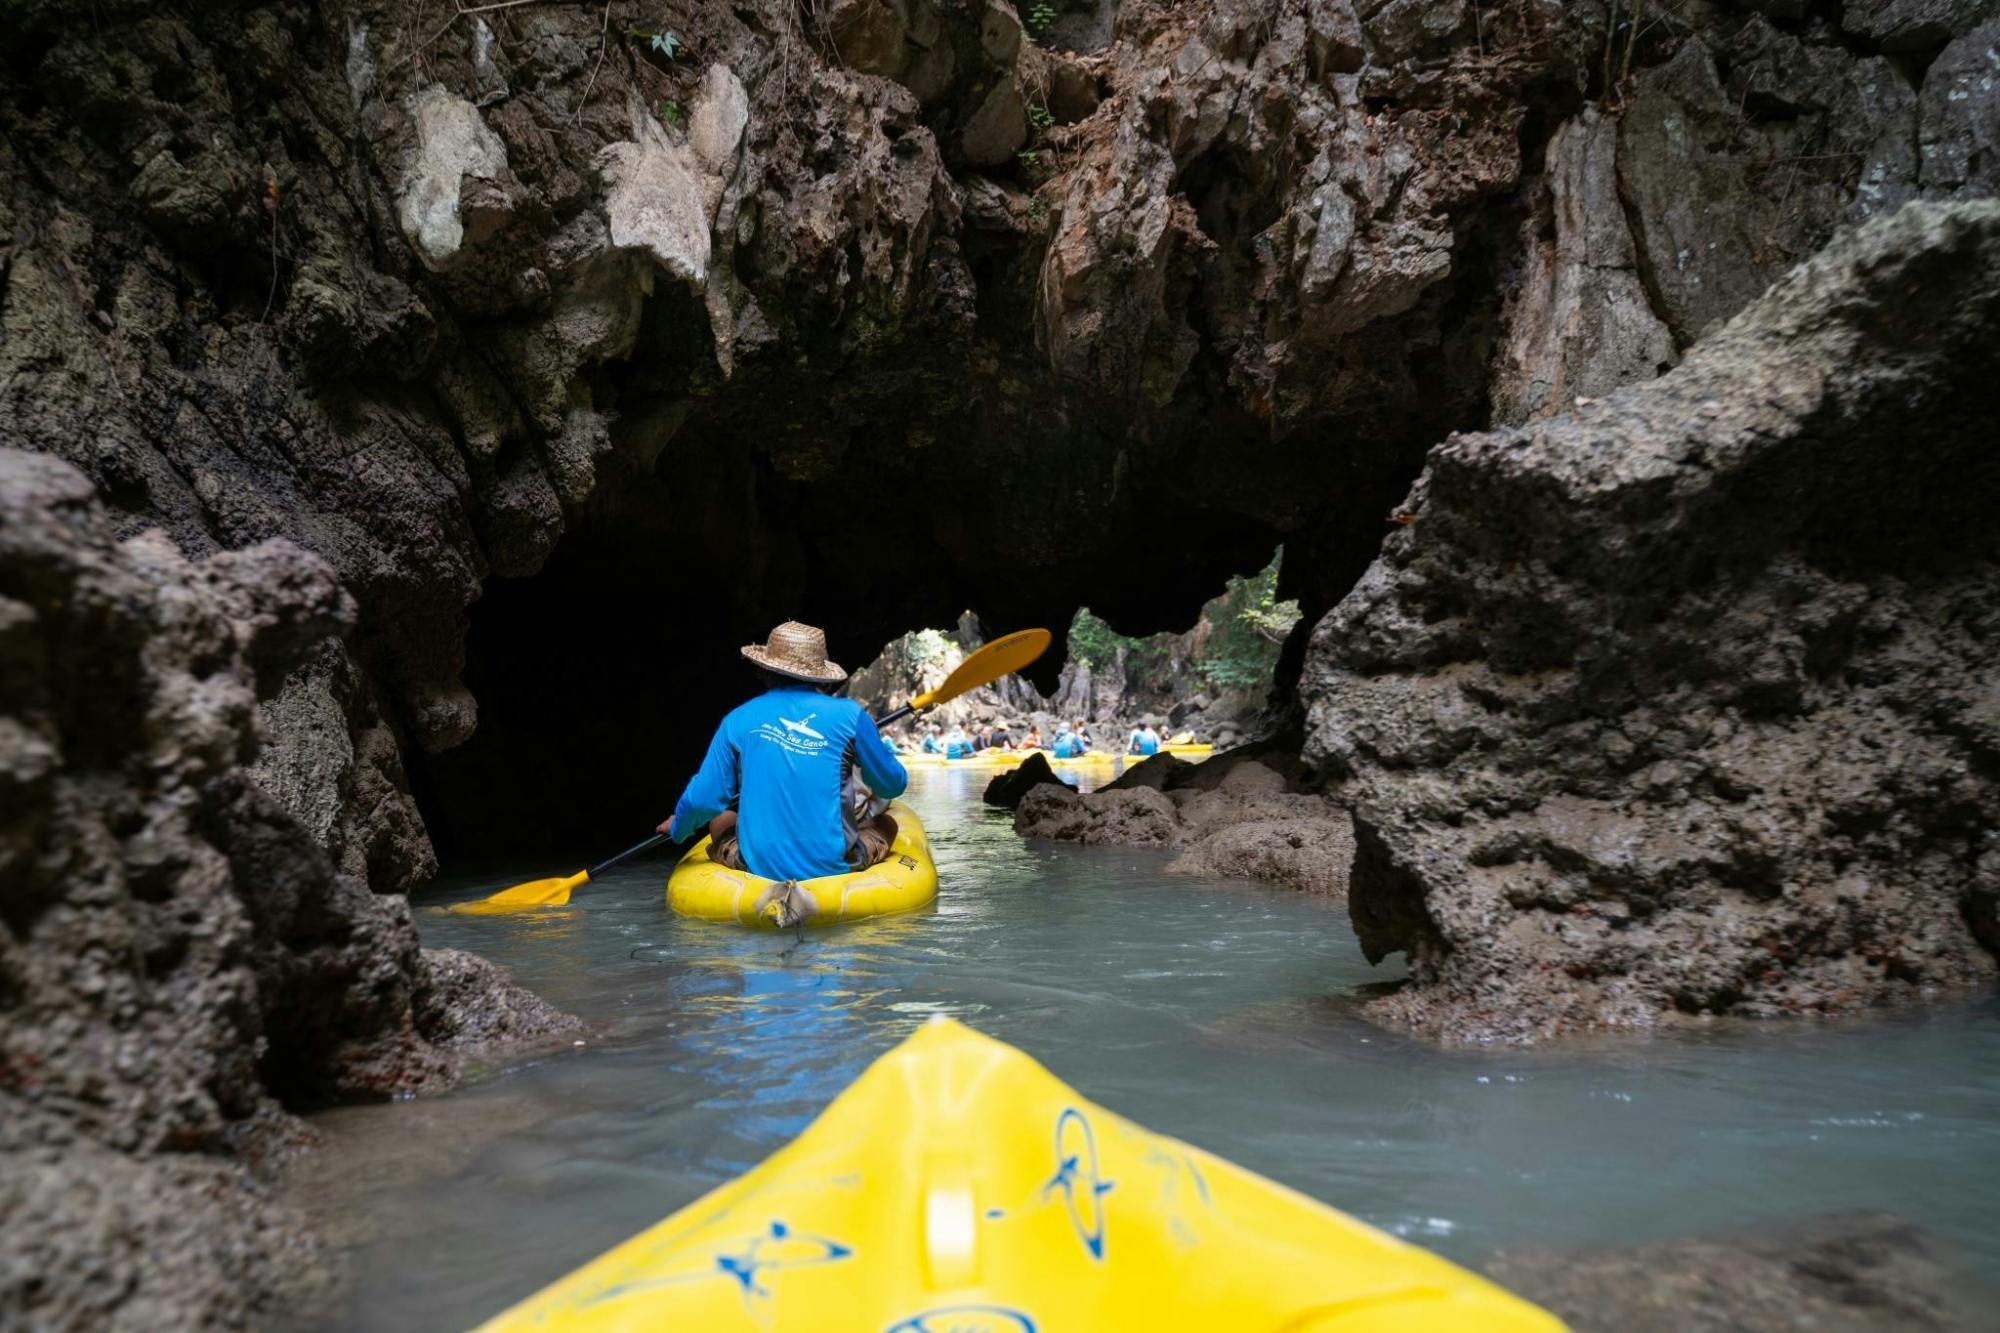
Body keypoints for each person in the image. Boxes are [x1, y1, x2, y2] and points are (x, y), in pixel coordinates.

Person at [660, 621, 905, 882]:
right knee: (886, 824)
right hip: (834, 863)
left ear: (765, 669)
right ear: (821, 674)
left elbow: (703, 801)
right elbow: (892, 786)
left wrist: (678, 827)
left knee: (721, 816)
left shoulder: (738, 719)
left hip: (758, 867)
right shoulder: (851, 715)